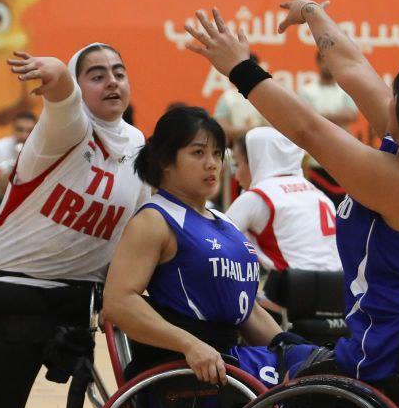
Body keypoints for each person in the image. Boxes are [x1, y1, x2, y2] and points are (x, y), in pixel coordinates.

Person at [184, 0, 399, 385]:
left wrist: (238, 68)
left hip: (385, 357)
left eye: (397, 95)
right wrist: (312, 13)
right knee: (287, 346)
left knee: (257, 373)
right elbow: (353, 67)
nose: (389, 97)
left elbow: (307, 129)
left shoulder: (398, 185)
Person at [0, 42, 146, 408]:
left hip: (80, 297)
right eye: (97, 75)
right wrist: (57, 72)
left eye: (119, 72)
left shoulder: (139, 146)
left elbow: (144, 225)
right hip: (12, 282)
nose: (112, 82)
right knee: (10, 375)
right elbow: (63, 95)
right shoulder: (67, 129)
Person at [104, 107, 314, 388]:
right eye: (198, 153)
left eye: (217, 153)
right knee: (315, 379)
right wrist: (189, 344)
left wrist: (288, 347)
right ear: (165, 161)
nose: (212, 163)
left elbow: (248, 311)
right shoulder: (153, 220)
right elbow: (118, 303)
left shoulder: (224, 221)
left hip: (232, 360)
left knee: (321, 366)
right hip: (189, 370)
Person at [226, 126, 339, 274]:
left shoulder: (257, 197)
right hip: (339, 283)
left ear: (255, 160)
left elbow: (216, 245)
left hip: (295, 284)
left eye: (237, 164)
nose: (236, 175)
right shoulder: (318, 193)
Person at [299, 49, 360, 198]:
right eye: (324, 60)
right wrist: (338, 116)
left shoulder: (345, 89)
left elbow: (351, 114)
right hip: (316, 158)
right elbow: (306, 117)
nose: (327, 64)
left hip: (343, 157)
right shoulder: (307, 91)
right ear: (318, 62)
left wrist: (319, 116)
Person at [0, 110, 37, 202]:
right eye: (20, 130)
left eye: (29, 131)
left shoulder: (42, 150)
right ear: (13, 129)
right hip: (2, 196)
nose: (24, 135)